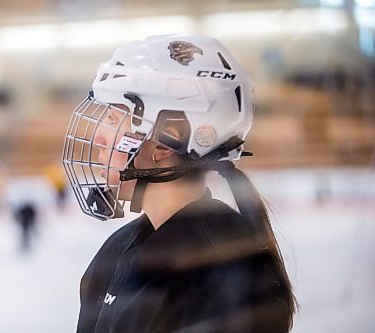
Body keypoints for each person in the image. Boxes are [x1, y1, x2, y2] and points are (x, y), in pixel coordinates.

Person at [62, 35, 297, 333]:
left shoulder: (220, 266)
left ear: (165, 142)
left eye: (113, 119)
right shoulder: (118, 248)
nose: (98, 138)